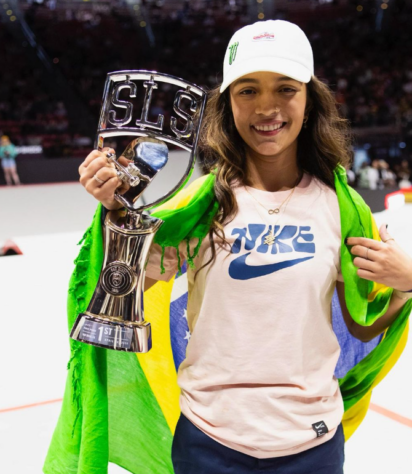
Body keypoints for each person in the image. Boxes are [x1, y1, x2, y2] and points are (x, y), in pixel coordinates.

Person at [46, 20, 412, 474]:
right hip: (209, 444)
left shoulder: (343, 208)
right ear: (227, 102)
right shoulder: (199, 205)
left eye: (284, 89)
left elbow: (360, 330)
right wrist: (116, 209)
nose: (267, 107)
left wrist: (405, 286)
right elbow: (125, 291)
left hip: (312, 444)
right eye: (247, 90)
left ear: (309, 99)